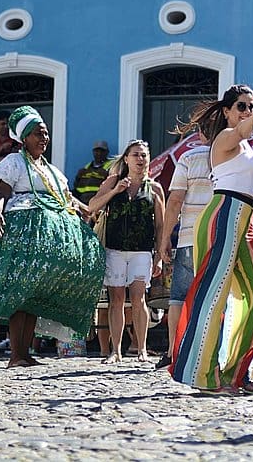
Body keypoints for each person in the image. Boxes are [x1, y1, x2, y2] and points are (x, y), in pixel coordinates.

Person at [0, 106, 104, 368]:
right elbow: (3, 192)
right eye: (38, 134)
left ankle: (25, 353)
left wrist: (86, 210)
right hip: (22, 241)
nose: (44, 139)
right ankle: (16, 355)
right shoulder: (14, 162)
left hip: (44, 243)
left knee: (30, 299)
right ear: (24, 137)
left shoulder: (49, 169)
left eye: (46, 134)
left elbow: (64, 196)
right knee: (20, 296)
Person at [169, 85, 253, 393]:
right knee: (213, 296)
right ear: (227, 112)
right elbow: (241, 131)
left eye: (251, 106)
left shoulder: (247, 147)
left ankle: (235, 372)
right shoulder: (225, 139)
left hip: (246, 221)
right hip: (223, 215)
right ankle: (204, 375)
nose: (247, 111)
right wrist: (251, 121)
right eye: (241, 106)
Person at [88, 139, 165, 363]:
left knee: (139, 298)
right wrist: (115, 191)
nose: (140, 159)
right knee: (116, 299)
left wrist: (159, 255)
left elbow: (160, 225)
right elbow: (93, 206)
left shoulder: (155, 188)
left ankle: (141, 349)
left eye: (144, 155)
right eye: (136, 155)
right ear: (126, 159)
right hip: (115, 248)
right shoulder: (114, 181)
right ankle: (116, 350)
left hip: (142, 249)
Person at [156, 131, 213, 371]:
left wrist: (165, 236)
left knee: (179, 297)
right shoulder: (236, 157)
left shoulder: (188, 157)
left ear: (200, 134)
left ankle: (173, 351)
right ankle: (206, 353)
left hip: (189, 237)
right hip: (217, 238)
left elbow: (175, 200)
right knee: (212, 299)